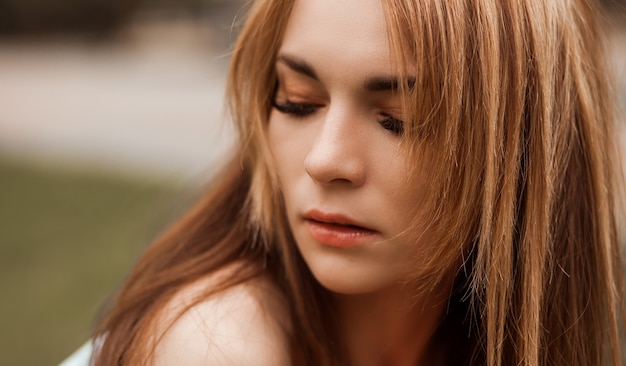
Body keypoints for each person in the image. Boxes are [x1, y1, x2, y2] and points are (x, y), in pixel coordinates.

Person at [90, 0, 626, 365]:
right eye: (298, 101)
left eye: (399, 118)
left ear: (526, 149)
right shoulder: (217, 340)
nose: (324, 161)